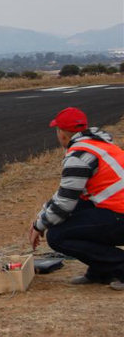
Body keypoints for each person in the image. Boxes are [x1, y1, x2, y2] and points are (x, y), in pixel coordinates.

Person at [28, 107, 124, 290]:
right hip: (117, 211)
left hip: (120, 215)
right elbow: (67, 195)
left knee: (58, 236)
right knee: (79, 210)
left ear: (62, 134)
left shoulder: (78, 156)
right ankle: (101, 271)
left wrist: (39, 226)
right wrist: (40, 219)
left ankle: (119, 266)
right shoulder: (99, 145)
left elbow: (64, 205)